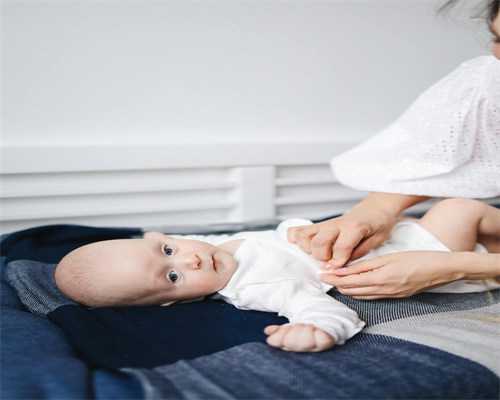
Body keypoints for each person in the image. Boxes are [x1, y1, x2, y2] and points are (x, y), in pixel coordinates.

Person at [55, 199, 500, 352]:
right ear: (175, 301)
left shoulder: (209, 248)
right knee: (459, 209)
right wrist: (318, 330)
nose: (189, 261)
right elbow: (316, 308)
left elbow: (180, 243)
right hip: (419, 257)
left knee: (470, 223)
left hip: (397, 236)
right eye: (172, 277)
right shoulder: (257, 286)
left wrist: (158, 242)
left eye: (169, 250)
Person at [288, 0, 500, 299]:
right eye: (497, 38)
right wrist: (374, 211)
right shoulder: (487, 81)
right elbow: (435, 157)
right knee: (457, 210)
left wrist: (458, 266)